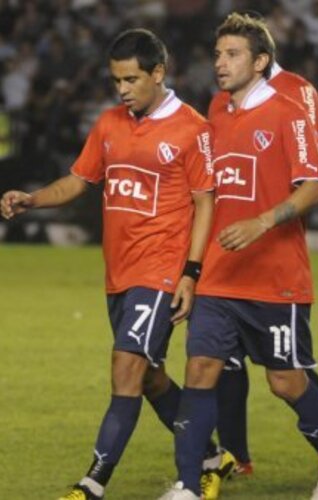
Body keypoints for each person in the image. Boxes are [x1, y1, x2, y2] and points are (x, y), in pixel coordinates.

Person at [1, 29, 215, 500]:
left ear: (158, 73)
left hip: (159, 270)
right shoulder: (110, 123)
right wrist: (32, 199)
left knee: (125, 367)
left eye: (132, 79)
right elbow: (79, 181)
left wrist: (190, 272)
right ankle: (209, 454)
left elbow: (205, 203)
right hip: (119, 273)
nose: (122, 89)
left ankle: (93, 481)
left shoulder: (191, 128)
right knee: (151, 374)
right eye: (116, 80)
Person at [157, 13, 318, 500]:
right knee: (200, 370)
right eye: (218, 54)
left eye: (233, 54)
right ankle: (187, 484)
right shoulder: (216, 112)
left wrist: (264, 220)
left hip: (275, 276)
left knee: (286, 383)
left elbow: (316, 185)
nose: (220, 63)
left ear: (261, 61)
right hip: (220, 277)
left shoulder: (290, 112)